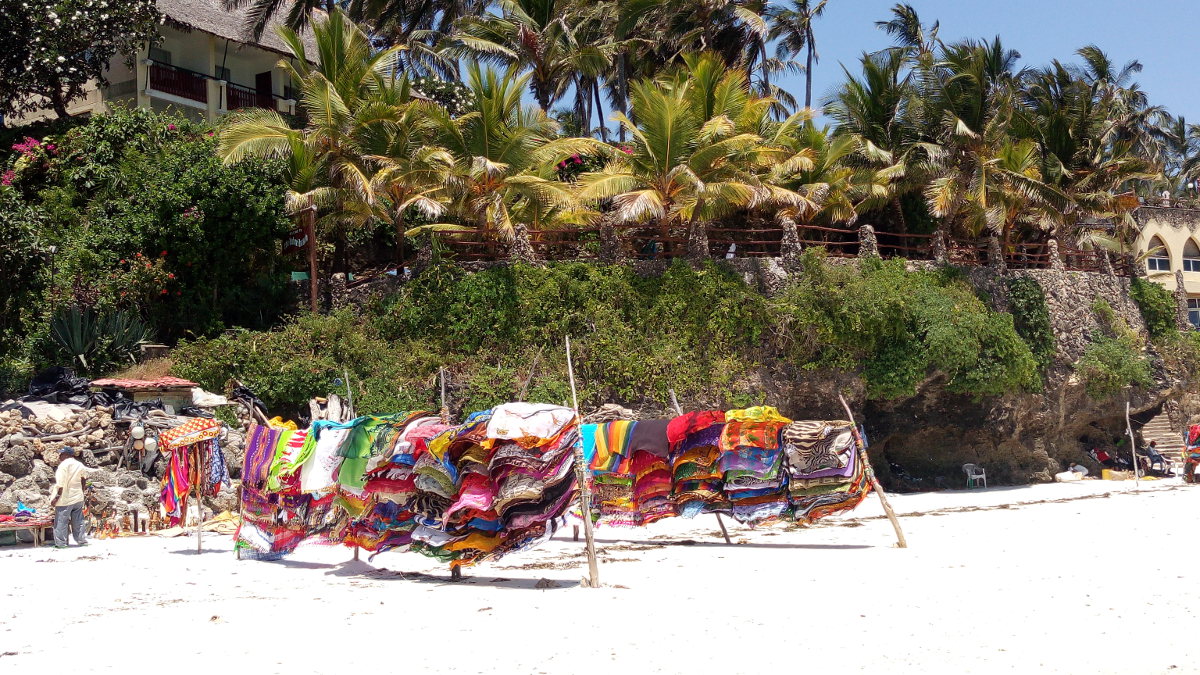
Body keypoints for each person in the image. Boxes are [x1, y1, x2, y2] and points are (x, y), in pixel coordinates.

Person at [49, 447, 88, 548]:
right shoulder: (79, 464)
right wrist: (81, 492)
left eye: (61, 454)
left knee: (61, 521)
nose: (59, 456)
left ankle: (61, 543)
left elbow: (60, 483)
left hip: (65, 498)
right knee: (78, 520)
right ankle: (81, 541)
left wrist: (56, 497)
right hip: (78, 497)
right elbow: (83, 479)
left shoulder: (63, 466)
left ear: (67, 455)